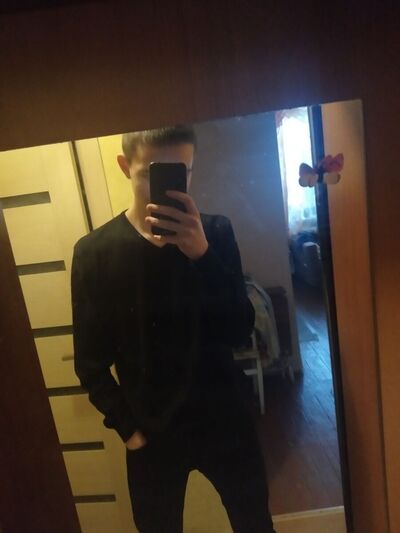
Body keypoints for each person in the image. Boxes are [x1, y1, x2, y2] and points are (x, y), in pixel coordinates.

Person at [71, 125, 276, 533]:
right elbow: (90, 362)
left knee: (255, 525)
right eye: (152, 173)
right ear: (124, 166)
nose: (165, 187)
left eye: (181, 172)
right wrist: (129, 431)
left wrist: (202, 255)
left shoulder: (216, 234)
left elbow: (239, 330)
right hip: (150, 432)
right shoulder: (94, 254)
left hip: (225, 420)